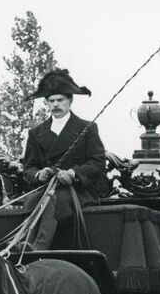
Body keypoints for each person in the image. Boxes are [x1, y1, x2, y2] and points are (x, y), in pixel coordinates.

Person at [19, 69, 106, 250]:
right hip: (45, 189)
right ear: (46, 102)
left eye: (60, 100)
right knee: (33, 200)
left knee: (52, 199)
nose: (56, 104)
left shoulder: (87, 128)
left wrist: (74, 173)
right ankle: (22, 244)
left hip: (78, 191)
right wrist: (39, 175)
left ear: (70, 100)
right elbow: (29, 168)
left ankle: (38, 248)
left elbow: (97, 162)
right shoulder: (36, 133)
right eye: (51, 101)